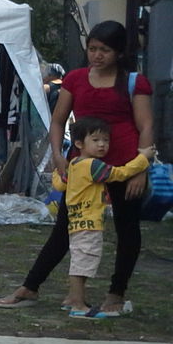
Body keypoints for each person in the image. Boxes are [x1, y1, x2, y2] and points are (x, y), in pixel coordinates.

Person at [0, 20, 154, 315]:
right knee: (65, 228)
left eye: (104, 50)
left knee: (127, 229)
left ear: (119, 52)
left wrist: (140, 170)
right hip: (82, 169)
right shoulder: (76, 79)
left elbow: (146, 126)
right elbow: (58, 120)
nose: (97, 55)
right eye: (92, 48)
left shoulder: (133, 81)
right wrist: (57, 154)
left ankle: (116, 293)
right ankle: (30, 285)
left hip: (125, 163)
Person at [54, 117, 153, 317]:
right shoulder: (93, 166)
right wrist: (143, 159)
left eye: (105, 140)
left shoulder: (74, 163)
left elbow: (60, 185)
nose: (102, 145)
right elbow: (119, 173)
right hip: (89, 222)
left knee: (79, 259)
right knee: (84, 262)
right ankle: (77, 304)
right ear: (79, 143)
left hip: (76, 220)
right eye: (96, 140)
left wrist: (56, 172)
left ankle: (75, 298)